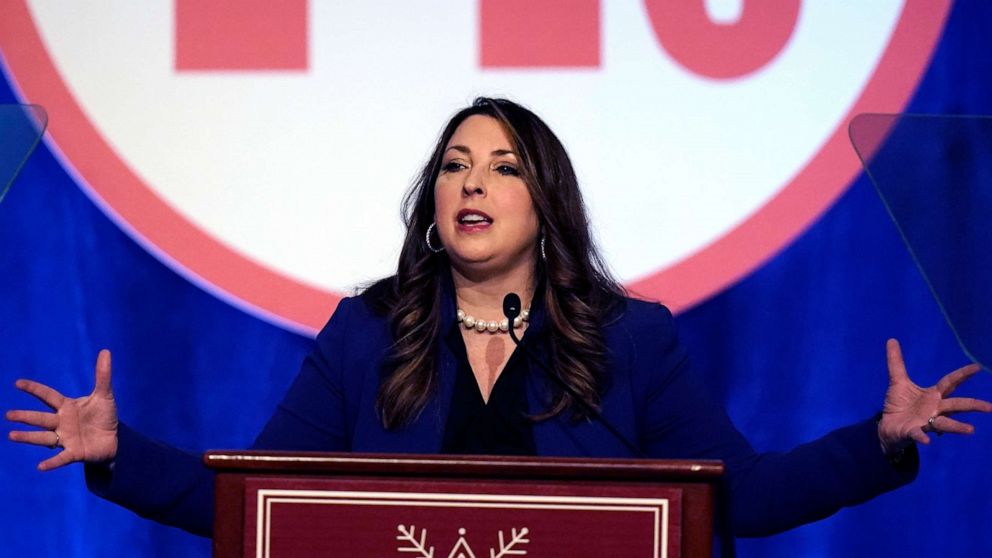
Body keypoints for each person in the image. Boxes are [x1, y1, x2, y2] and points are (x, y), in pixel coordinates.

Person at [7, 98, 991, 541]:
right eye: (453, 165)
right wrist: (115, 456)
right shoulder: (368, 334)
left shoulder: (627, 340)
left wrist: (877, 443)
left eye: (502, 166)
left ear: (543, 203)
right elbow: (267, 508)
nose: (470, 181)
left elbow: (738, 500)